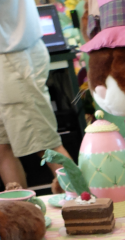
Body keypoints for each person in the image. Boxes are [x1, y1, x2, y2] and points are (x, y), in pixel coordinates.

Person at [0, 0, 72, 190]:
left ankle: (84, 201)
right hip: (13, 53)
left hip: (12, 57)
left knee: (45, 143)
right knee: (2, 147)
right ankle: (19, 207)